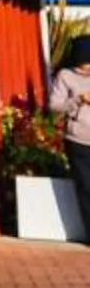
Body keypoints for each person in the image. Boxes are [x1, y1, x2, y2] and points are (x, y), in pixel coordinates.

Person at [50, 38, 90, 240]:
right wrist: (80, 99)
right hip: (78, 139)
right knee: (86, 187)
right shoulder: (65, 76)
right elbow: (55, 106)